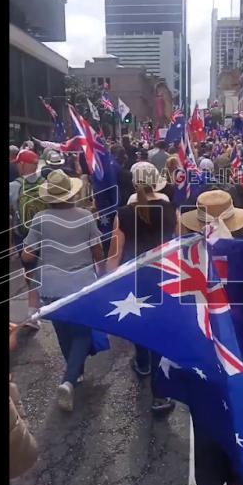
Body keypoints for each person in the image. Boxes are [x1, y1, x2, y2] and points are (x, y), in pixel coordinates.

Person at [177, 189, 243, 485]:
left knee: (205, 419)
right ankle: (237, 482)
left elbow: (177, 303)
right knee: (238, 411)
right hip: (239, 348)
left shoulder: (184, 254)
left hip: (201, 347)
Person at [21, 170, 106, 412]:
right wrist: (101, 272)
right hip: (81, 284)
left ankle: (74, 372)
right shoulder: (86, 216)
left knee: (62, 329)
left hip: (50, 285)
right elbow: (97, 249)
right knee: (82, 333)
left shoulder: (39, 218)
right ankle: (69, 379)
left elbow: (27, 254)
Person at [105, 162, 177, 415]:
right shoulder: (170, 208)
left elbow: (115, 253)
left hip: (135, 277)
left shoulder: (123, 213)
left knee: (139, 321)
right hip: (165, 276)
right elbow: (179, 243)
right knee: (160, 330)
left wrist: (107, 284)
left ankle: (143, 362)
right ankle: (160, 396)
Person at [10, 149, 45, 331]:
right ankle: (39, 306)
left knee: (29, 273)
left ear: (22, 164)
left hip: (23, 236)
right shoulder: (45, 184)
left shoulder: (14, 186)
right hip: (44, 235)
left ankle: (33, 313)